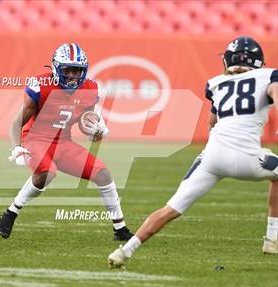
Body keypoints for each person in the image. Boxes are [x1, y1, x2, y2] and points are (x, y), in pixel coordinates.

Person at [108, 36, 278, 268]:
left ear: (228, 60)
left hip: (212, 156)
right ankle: (272, 238)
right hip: (246, 156)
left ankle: (124, 251)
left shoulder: (217, 83)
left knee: (170, 209)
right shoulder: (268, 75)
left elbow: (212, 123)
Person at [0, 43, 134, 241]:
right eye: (67, 70)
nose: (72, 75)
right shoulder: (41, 85)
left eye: (77, 71)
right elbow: (16, 123)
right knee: (47, 173)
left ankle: (120, 229)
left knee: (103, 174)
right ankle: (12, 212)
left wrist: (95, 132)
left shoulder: (89, 88)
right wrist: (17, 146)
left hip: (63, 141)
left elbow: (86, 122)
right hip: (35, 139)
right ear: (55, 68)